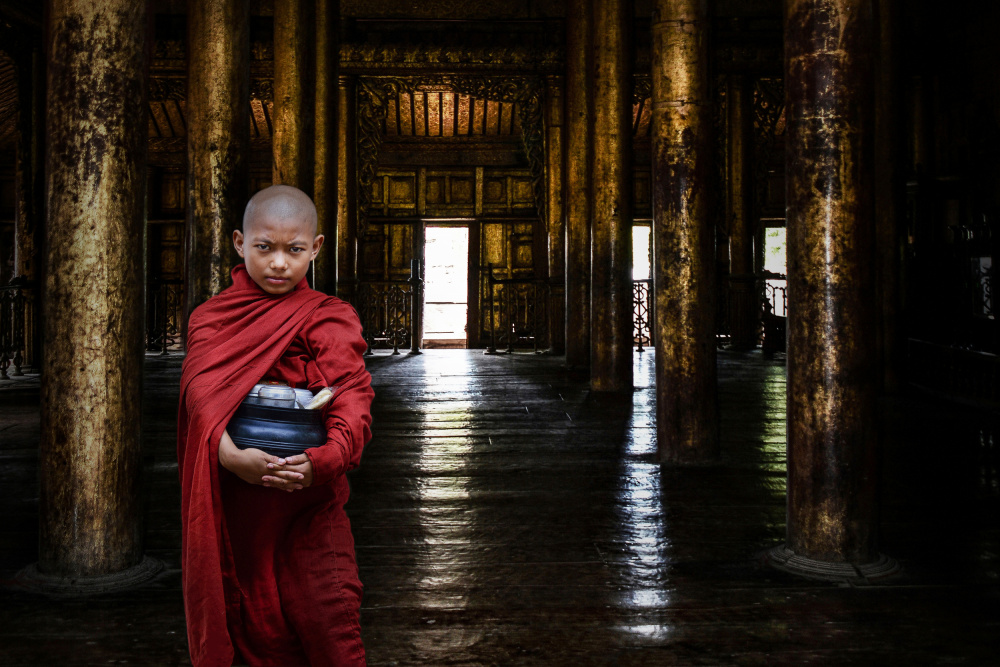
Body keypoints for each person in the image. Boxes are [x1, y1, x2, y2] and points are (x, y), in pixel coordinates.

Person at [177, 185, 374, 667]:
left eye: (295, 249)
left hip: (311, 502)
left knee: (330, 617)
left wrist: (322, 461)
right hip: (238, 504)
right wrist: (227, 455)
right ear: (240, 243)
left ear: (316, 248)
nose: (279, 263)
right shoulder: (212, 318)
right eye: (265, 248)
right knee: (250, 625)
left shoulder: (329, 316)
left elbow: (352, 393)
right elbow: (200, 399)